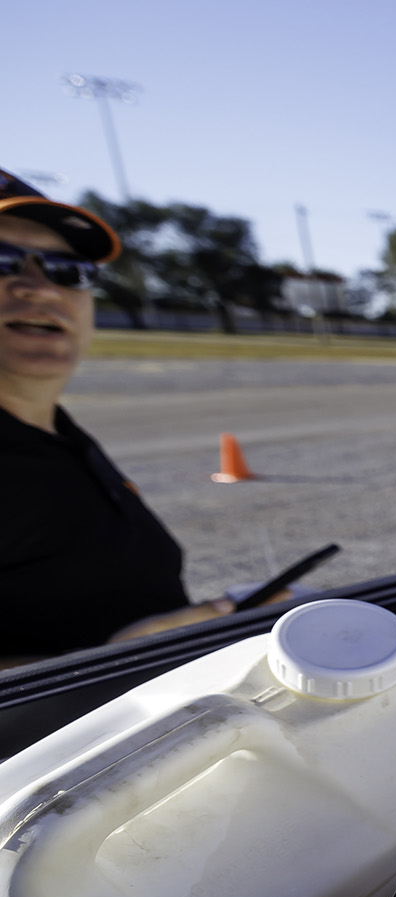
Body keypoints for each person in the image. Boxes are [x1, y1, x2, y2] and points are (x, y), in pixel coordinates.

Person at [0, 170, 241, 666]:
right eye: (2, 262)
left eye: (68, 270)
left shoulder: (62, 436)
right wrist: (100, 664)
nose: (41, 288)